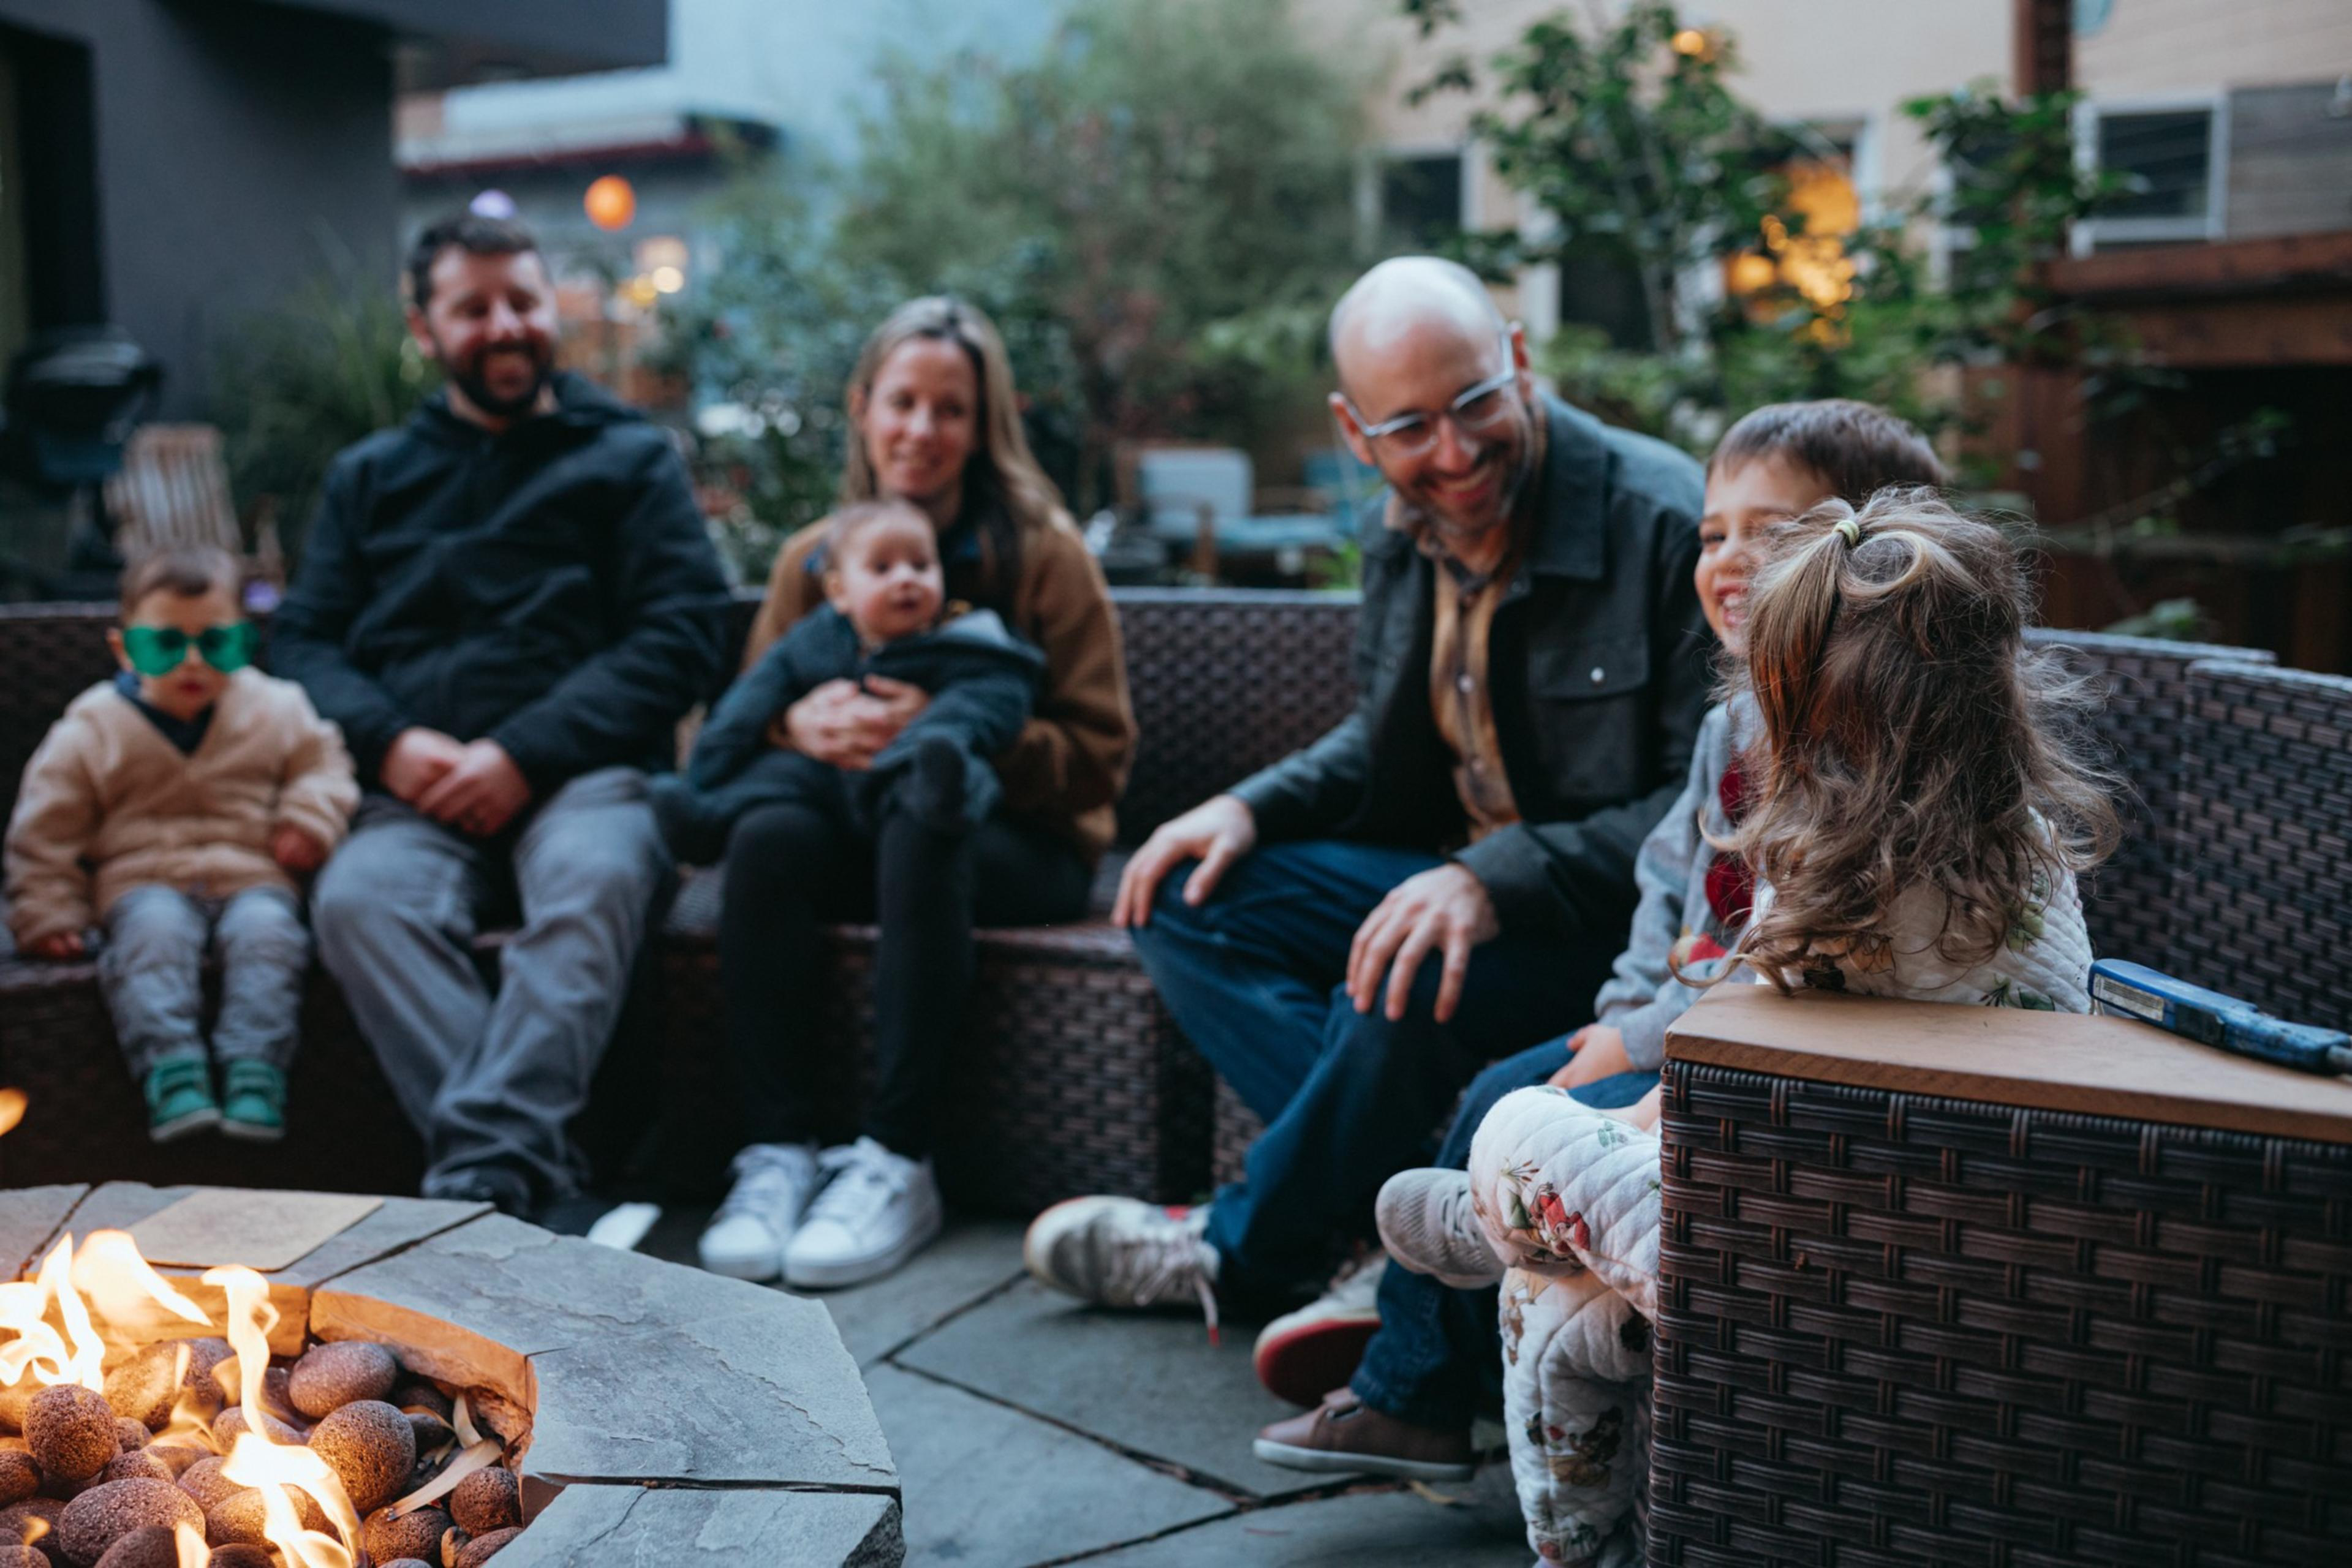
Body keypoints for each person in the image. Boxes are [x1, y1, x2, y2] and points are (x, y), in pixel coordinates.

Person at [1377, 485, 2120, 1565]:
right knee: (1563, 1309)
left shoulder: (1851, 880)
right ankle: (1543, 1297)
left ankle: (1497, 1227)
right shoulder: (2025, 847)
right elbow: (1758, 1061)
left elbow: (1740, 1081)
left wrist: (1631, 1126)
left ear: (1812, 720)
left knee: (1516, 1128)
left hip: (1821, 1251)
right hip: (1903, 1217)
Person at [1248, 400, 1953, 1482]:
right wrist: (1615, 1019)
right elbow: (1665, 895)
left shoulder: (1866, 744)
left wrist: (1636, 1042)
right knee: (1502, 1079)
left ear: (1866, 556)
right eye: (1710, 533)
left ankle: (1416, 1387)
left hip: (1790, 1063)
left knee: (1504, 1103)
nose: (1720, 559)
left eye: (1763, 533)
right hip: (1674, 1032)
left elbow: (1805, 960)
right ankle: (1430, 1370)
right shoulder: (1732, 720)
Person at [1023, 255, 1711, 1336]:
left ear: (1519, 362)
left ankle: (1237, 1250)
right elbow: (1385, 742)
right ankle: (1382, 1218)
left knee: (1395, 986)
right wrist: (1242, 808)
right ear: (1357, 433)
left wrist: (1487, 879)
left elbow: (1705, 805)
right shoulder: (1402, 526)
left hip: (1610, 926)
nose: (1452, 452)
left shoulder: (1659, 518)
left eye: (1476, 401)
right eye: (1409, 428)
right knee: (1177, 896)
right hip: (1457, 881)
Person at [270, 211, 732, 1224]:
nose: (505, 326)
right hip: (411, 790)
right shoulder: (369, 478)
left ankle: (484, 1188)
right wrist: (391, 743)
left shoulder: (628, 460)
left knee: (597, 878)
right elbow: (299, 644)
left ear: (548, 308)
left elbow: (684, 636)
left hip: (584, 777)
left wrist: (523, 753)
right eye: (472, 309)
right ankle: (540, 1188)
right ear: (424, 329)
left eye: (521, 301)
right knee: (357, 901)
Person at [699, 296, 1135, 1287]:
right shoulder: (813, 559)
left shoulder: (1043, 554)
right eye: (902, 402)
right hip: (850, 828)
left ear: (982, 426)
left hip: (1016, 846)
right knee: (766, 833)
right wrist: (791, 724)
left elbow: (1099, 756)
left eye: (950, 410)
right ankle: (776, 1154)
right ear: (862, 407)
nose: (921, 430)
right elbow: (752, 710)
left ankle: (897, 1157)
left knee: (922, 805)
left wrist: (946, 728)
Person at [4, 545, 357, 1142]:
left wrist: (309, 819)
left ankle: (255, 1071)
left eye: (216, 643)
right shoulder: (93, 725)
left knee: (269, 939)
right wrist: (48, 909)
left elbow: (324, 768)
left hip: (254, 876)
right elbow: (46, 826)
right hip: (143, 883)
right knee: (153, 939)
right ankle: (173, 1071)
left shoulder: (279, 708)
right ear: (123, 648)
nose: (192, 661)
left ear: (245, 640)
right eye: (164, 645)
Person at [651, 498, 1042, 863]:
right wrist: (709, 765)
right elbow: (753, 696)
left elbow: (997, 693)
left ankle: (939, 792)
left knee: (954, 769)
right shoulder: (816, 638)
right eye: (882, 569)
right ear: (839, 592)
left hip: (909, 781)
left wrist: (936, 725)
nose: (906, 578)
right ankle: (702, 818)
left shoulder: (962, 641)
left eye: (922, 566)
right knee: (776, 779)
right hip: (826, 779)